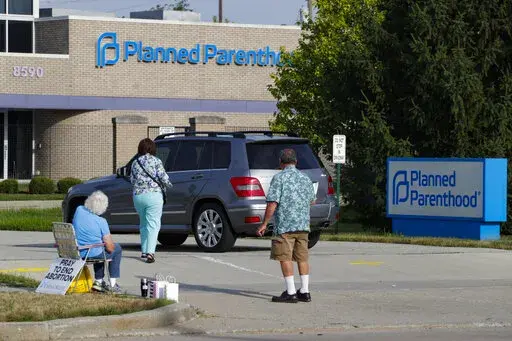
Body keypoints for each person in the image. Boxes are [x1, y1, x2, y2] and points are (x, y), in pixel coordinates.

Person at [257, 148, 316, 303]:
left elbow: (272, 203)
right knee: (302, 258)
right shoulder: (305, 178)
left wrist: (264, 223)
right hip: (303, 225)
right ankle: (305, 291)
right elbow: (312, 200)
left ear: (281, 163)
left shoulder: (279, 178)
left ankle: (290, 292)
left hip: (285, 226)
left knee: (285, 257)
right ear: (296, 162)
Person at [130, 138, 173, 263]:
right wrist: (170, 185)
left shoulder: (135, 162)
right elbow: (163, 178)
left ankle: (144, 251)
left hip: (138, 196)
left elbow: (132, 180)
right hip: (153, 195)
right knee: (153, 224)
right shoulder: (156, 161)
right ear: (153, 149)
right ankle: (150, 253)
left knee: (143, 223)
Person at [72, 190, 123, 293]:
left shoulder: (79, 210)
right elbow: (110, 248)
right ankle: (112, 284)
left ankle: (98, 282)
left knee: (98, 247)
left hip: (78, 251)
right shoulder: (102, 222)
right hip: (91, 253)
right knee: (116, 249)